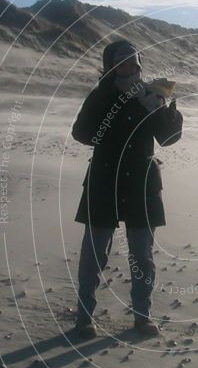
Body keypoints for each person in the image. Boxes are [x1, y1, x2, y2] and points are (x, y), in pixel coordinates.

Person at [70, 40, 182, 339]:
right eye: (121, 63)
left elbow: (167, 139)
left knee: (142, 255)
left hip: (141, 183)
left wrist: (170, 115)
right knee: (93, 254)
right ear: (110, 67)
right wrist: (107, 99)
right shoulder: (100, 95)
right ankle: (84, 318)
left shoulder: (150, 95)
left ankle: (142, 316)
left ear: (139, 65)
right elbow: (81, 133)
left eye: (133, 63)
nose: (128, 68)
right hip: (104, 181)